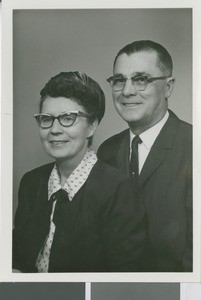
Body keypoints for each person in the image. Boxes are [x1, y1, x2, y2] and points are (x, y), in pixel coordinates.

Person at [12, 71, 145, 273]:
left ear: (91, 126)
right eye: (46, 119)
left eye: (67, 118)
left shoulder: (117, 189)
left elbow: (124, 279)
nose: (54, 129)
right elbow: (16, 257)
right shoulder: (32, 182)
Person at [98, 40, 192, 272]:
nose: (127, 91)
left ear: (168, 87)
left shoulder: (193, 146)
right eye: (119, 80)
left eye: (141, 79)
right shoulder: (107, 150)